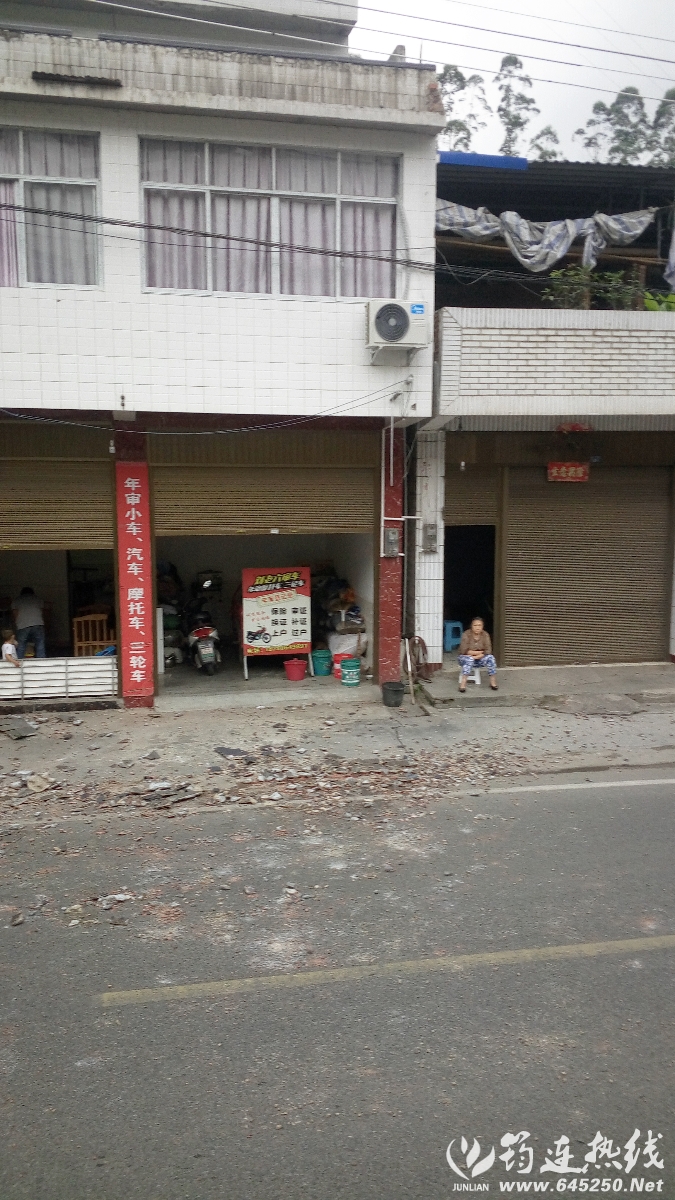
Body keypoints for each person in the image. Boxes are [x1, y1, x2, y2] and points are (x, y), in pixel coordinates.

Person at [458, 617, 498, 693]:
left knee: (491, 658)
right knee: (469, 659)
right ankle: (463, 684)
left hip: (480, 658)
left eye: (479, 625)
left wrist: (479, 655)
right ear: (471, 626)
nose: (477, 628)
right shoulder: (466, 634)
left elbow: (488, 650)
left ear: (482, 626)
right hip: (464, 658)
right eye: (475, 625)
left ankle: (493, 682)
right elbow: (464, 650)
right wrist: (479, 653)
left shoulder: (485, 635)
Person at [11, 587, 46, 659]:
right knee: (40, 643)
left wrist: (17, 623)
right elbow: (42, 611)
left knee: (21, 645)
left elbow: (15, 613)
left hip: (22, 625)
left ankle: (20, 661)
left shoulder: (17, 600)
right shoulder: (38, 599)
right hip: (38, 623)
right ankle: (42, 661)